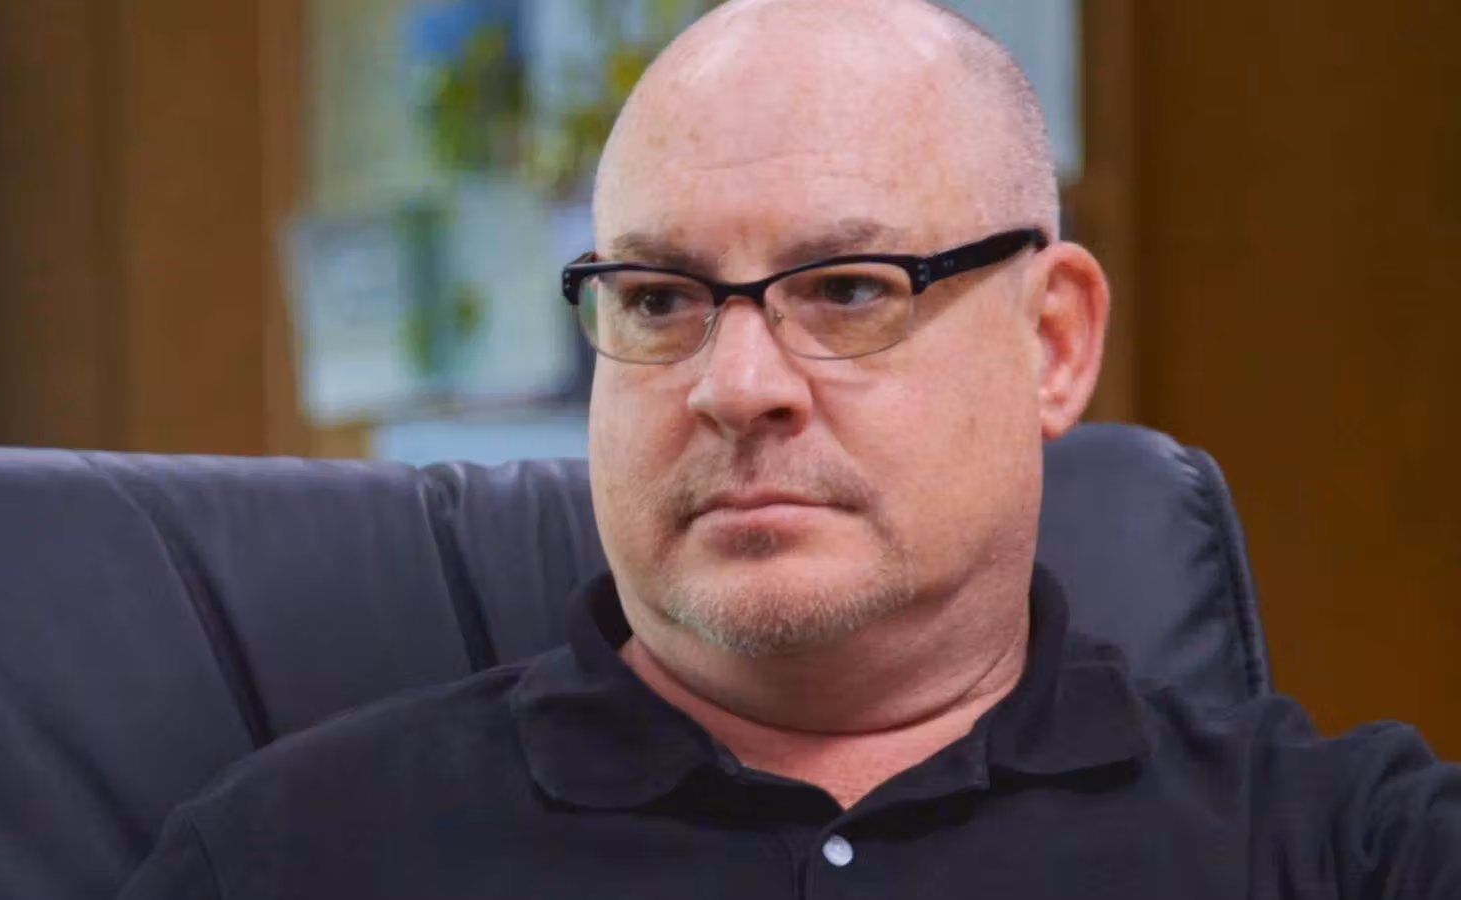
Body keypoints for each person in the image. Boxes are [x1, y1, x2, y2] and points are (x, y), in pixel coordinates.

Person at [117, 0, 1460, 896]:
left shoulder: (1339, 849)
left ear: (1052, 342)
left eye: (850, 289)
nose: (737, 385)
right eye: (659, 300)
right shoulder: (291, 855)